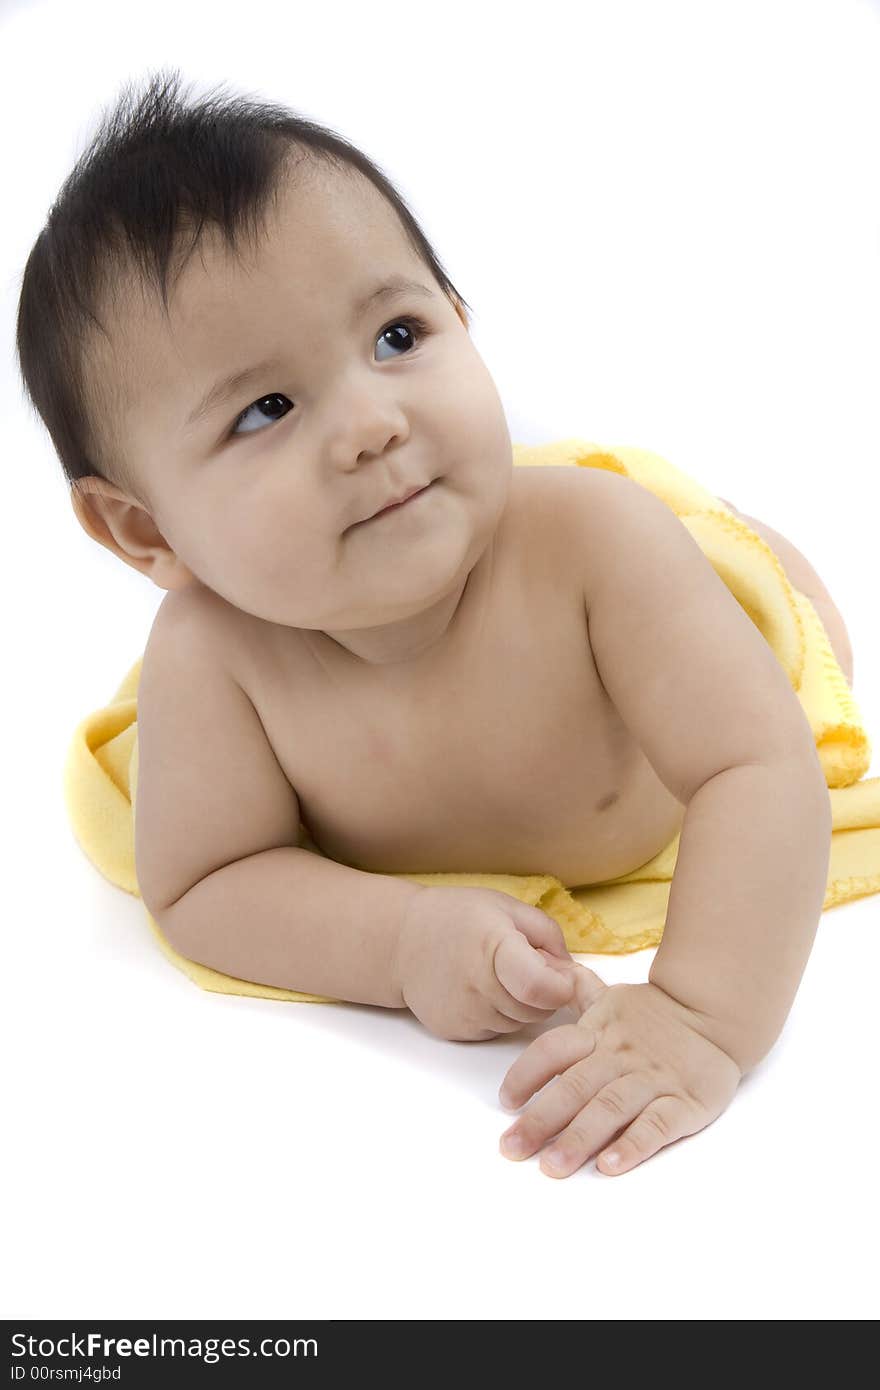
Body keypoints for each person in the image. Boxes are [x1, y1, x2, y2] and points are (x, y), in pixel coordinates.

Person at [17, 70, 851, 1179]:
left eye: (398, 335)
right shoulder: (214, 659)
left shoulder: (595, 550)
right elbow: (205, 883)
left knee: (782, 624)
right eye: (265, 409)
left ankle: (744, 543)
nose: (371, 422)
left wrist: (700, 1016)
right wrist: (401, 943)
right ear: (140, 531)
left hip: (665, 594)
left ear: (462, 321)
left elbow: (760, 766)